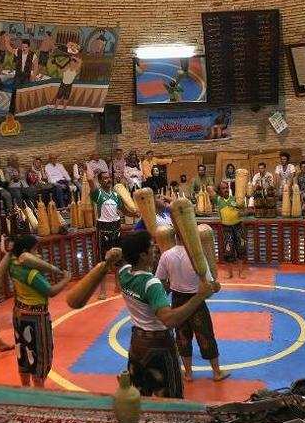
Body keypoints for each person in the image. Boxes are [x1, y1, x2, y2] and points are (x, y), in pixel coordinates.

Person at [116, 231, 219, 398]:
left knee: (140, 393)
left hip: (137, 343)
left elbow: (122, 262)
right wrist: (200, 295)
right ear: (142, 255)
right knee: (171, 395)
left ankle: (143, 422)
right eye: (151, 247)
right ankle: (215, 371)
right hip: (158, 344)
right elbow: (169, 319)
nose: (155, 249)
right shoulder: (151, 283)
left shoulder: (124, 273)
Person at [156, 235, 229, 382]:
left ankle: (188, 374)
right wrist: (216, 287)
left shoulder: (166, 255)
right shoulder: (197, 256)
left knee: (182, 337)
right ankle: (216, 372)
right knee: (205, 335)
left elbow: (160, 280)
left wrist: (171, 287)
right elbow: (210, 283)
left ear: (175, 237)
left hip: (177, 300)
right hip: (196, 301)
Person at [8, 235, 71, 387]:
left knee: (22, 352)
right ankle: (39, 392)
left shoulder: (13, 265)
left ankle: (25, 388)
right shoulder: (32, 274)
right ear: (25, 252)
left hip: (18, 314)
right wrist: (66, 280)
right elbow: (50, 291)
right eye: (36, 250)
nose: (39, 254)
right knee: (39, 356)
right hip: (35, 318)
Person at [91, 170, 134, 299]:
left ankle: (118, 285)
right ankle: (103, 291)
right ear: (99, 181)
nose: (107, 180)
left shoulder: (116, 195)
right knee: (103, 261)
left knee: (118, 258)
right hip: (103, 228)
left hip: (116, 227)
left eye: (108, 177)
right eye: (104, 178)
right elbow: (90, 182)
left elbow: (124, 210)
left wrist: (135, 213)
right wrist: (89, 172)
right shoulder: (98, 194)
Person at [207, 181, 247, 278]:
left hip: (238, 226)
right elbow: (209, 188)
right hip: (226, 228)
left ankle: (241, 272)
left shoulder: (235, 199)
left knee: (241, 249)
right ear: (219, 190)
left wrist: (242, 212)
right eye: (223, 188)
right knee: (228, 250)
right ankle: (229, 273)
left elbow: (245, 211)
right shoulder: (218, 199)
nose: (225, 190)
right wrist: (216, 189)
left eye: (226, 188)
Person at [53, 41, 83, 110]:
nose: (72, 64)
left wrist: (74, 58)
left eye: (73, 63)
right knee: (59, 96)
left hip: (69, 85)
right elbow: (61, 68)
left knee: (66, 97)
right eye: (71, 63)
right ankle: (55, 107)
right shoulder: (67, 68)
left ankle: (64, 108)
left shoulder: (76, 70)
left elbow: (80, 62)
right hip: (63, 84)